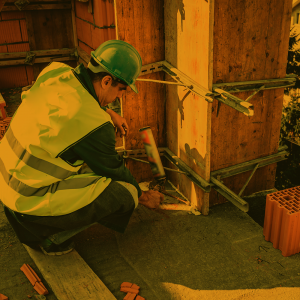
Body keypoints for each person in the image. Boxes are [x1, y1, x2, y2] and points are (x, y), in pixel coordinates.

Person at [0, 40, 164, 256]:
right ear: (106, 81)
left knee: (84, 165)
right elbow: (115, 171)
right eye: (121, 90)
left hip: (6, 184)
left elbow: (71, 103)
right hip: (27, 203)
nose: (119, 98)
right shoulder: (95, 125)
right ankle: (50, 237)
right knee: (125, 193)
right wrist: (144, 197)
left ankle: (40, 223)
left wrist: (108, 112)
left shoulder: (56, 71)